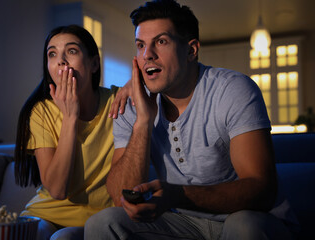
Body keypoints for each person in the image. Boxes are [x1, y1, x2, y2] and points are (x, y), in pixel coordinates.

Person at [84, 0, 299, 239]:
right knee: (104, 223)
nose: (147, 55)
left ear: (191, 50)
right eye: (140, 45)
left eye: (161, 42)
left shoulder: (232, 89)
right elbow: (120, 196)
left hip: (247, 218)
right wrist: (143, 122)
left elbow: (261, 190)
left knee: (243, 225)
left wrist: (177, 195)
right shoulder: (132, 105)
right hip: (184, 224)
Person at [14, 24, 125, 240]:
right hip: (45, 214)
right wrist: (70, 117)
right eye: (52, 54)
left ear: (94, 64)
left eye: (71, 51)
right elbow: (56, 189)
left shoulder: (117, 101)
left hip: (97, 221)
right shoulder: (41, 111)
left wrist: (133, 85)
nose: (61, 61)